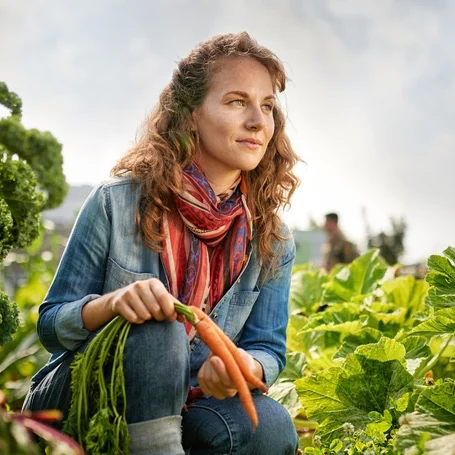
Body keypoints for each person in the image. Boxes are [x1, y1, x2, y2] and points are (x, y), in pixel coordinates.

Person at [22, 32, 301, 455]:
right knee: (158, 330)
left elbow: (268, 348)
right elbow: (51, 325)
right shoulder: (118, 202)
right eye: (237, 102)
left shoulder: (272, 239)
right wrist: (113, 305)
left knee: (270, 428)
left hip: (190, 406)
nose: (258, 122)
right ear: (190, 115)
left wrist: (246, 364)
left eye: (266, 106)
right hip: (85, 400)